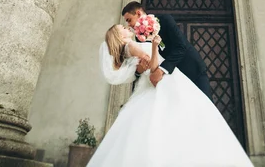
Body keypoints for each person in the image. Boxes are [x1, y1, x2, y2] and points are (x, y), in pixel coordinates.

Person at [87, 24, 253, 167]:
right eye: (122, 28)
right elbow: (150, 63)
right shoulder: (131, 45)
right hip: (161, 81)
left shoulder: (129, 47)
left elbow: (142, 65)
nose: (125, 27)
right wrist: (154, 46)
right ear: (119, 36)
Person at [122, 1, 212, 99]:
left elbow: (181, 46)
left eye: (129, 20)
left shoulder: (164, 20)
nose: (129, 25)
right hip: (171, 82)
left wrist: (161, 70)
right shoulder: (139, 39)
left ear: (138, 13)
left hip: (192, 70)